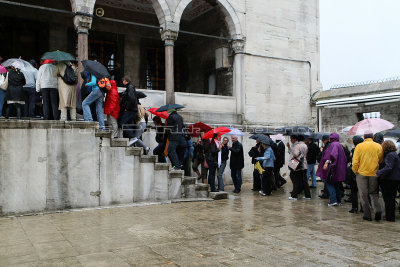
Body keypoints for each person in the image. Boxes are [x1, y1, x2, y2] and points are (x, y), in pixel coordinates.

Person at [352, 130, 384, 221]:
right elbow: (380, 159)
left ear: (364, 137)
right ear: (373, 137)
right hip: (374, 173)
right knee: (373, 193)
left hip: (361, 173)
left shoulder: (359, 146)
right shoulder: (378, 146)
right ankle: (377, 210)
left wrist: (355, 171)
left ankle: (367, 215)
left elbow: (355, 162)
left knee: (363, 194)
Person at [316, 133, 348, 206]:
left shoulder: (333, 145)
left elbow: (331, 155)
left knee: (329, 184)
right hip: (338, 169)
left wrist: (326, 163)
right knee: (337, 185)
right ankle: (338, 201)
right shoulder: (339, 145)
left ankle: (333, 200)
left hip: (332, 169)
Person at [376, 140, 400, 222]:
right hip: (395, 179)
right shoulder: (394, 154)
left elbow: (389, 167)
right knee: (391, 198)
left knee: (388, 199)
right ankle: (390, 216)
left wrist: (378, 173)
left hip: (389, 180)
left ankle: (390, 217)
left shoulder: (390, 155)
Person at [288, 135, 311, 200]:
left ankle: (294, 196)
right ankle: (308, 195)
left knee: (296, 180)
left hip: (298, 165)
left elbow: (295, 154)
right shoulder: (305, 145)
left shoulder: (297, 146)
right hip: (305, 164)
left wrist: (292, 150)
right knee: (304, 181)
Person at [347, 136, 364, 213]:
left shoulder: (355, 150)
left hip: (354, 172)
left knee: (354, 191)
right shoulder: (363, 150)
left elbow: (353, 162)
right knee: (362, 191)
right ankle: (363, 207)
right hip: (362, 172)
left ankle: (354, 207)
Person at [119, 76, 138, 143]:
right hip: (133, 110)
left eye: (123, 81)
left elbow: (131, 99)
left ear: (125, 81)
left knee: (122, 123)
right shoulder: (130, 87)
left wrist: (127, 108)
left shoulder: (130, 87)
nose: (122, 82)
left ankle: (132, 137)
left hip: (131, 110)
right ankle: (131, 138)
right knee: (128, 124)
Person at [317, 134, 331, 199]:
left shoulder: (328, 146)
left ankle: (327, 194)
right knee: (326, 180)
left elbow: (324, 156)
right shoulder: (328, 145)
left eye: (323, 140)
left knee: (326, 180)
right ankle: (326, 193)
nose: (323, 141)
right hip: (326, 164)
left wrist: (321, 151)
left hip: (326, 164)